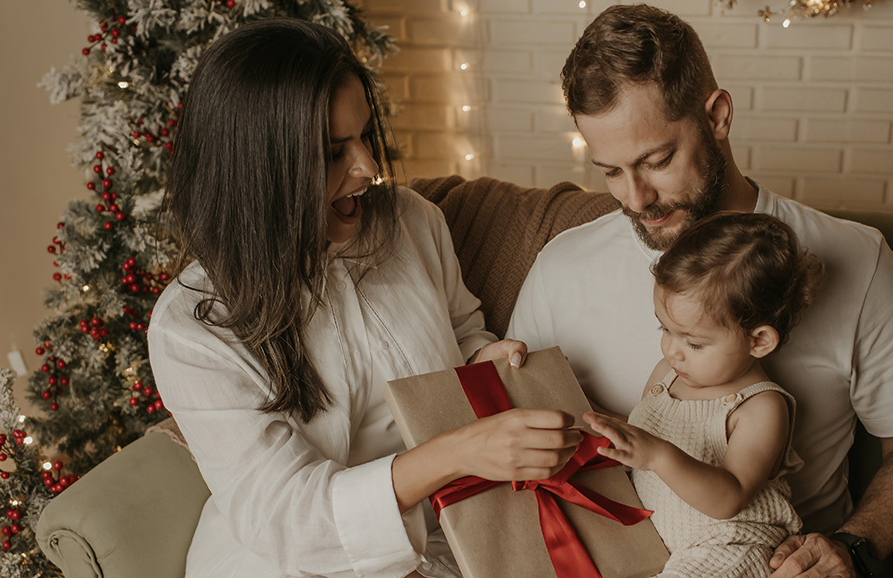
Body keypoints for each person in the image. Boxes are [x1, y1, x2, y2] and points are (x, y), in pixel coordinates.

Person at [506, 5, 893, 577]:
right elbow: (511, 435)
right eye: (611, 171)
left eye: (657, 160)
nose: (637, 199)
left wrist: (853, 546)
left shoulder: (858, 259)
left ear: (717, 115)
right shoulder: (562, 266)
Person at [148, 19, 580, 578]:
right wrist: (457, 452)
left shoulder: (412, 222)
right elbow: (291, 519)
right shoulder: (191, 328)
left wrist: (481, 360)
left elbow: (464, 328)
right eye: (332, 153)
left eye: (365, 137)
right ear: (261, 173)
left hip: (451, 534)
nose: (369, 169)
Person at [583, 212, 821, 578]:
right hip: (661, 545)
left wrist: (658, 456)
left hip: (731, 546)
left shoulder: (760, 406)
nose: (672, 350)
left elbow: (729, 498)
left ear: (758, 341)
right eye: (665, 328)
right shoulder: (668, 374)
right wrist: (593, 418)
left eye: (693, 342)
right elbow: (638, 435)